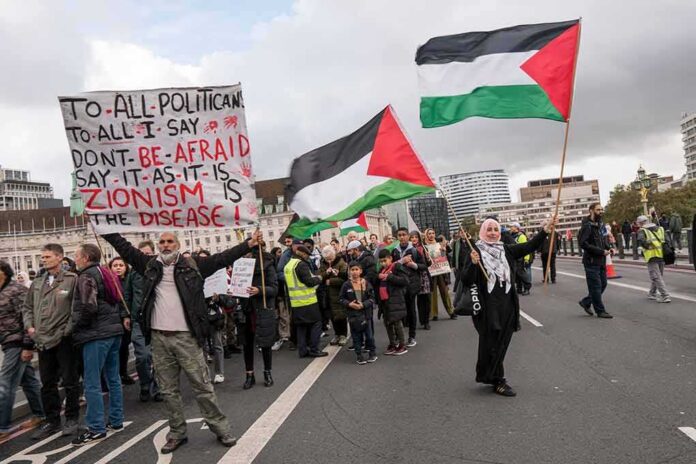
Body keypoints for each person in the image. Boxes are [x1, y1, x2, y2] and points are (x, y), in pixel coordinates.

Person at [101, 231, 258, 453]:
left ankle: (220, 427)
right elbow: (124, 247)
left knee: (202, 386)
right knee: (168, 390)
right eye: (162, 242)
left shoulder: (193, 265)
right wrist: (104, 227)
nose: (165, 245)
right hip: (158, 338)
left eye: (169, 242)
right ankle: (177, 432)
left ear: (178, 244)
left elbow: (223, 257)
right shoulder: (149, 265)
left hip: (186, 337)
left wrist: (248, 244)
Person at [461, 218, 552, 397]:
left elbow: (529, 246)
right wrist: (472, 263)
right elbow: (466, 279)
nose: (493, 232)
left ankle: (489, 375)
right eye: (489, 229)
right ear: (482, 232)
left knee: (502, 341)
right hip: (487, 306)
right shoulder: (475, 250)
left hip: (507, 304)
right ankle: (498, 380)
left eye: (496, 229)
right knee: (492, 342)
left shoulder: (506, 249)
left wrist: (545, 230)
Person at [71, 244, 129, 446]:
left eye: (77, 256)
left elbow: (89, 306)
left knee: (92, 382)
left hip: (96, 334)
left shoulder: (86, 276)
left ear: (86, 257)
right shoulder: (107, 273)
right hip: (114, 332)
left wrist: (76, 327)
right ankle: (116, 420)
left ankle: (96, 428)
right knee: (113, 378)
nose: (75, 259)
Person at [23, 243, 80, 440]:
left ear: (59, 258)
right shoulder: (38, 282)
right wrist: (30, 327)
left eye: (47, 257)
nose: (43, 260)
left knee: (70, 381)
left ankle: (72, 419)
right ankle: (52, 421)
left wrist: (66, 331)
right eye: (43, 257)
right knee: (47, 382)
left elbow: (76, 309)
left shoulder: (72, 280)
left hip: (63, 339)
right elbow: (27, 307)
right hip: (42, 339)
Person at [216, 241, 277, 389]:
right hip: (244, 310)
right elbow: (235, 289)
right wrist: (230, 294)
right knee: (247, 343)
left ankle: (267, 372)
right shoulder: (239, 265)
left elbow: (274, 288)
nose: (245, 255)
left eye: (248, 252)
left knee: (265, 343)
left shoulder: (266, 264)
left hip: (261, 309)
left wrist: (259, 290)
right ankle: (249, 374)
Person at [0, 261, 44, 439]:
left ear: (3, 272)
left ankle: (2, 427)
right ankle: (41, 414)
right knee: (29, 381)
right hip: (7, 342)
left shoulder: (17, 290)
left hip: (17, 342)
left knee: (6, 384)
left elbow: (28, 318)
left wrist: (28, 346)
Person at [123, 240, 161, 402]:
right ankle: (145, 383)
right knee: (143, 356)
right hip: (138, 320)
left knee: (159, 356)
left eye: (147, 253)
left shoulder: (161, 271)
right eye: (141, 254)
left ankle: (158, 386)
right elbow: (127, 295)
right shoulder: (133, 273)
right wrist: (126, 315)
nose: (143, 257)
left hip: (158, 318)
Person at [284, 245, 327, 358]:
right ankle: (314, 349)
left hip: (295, 302)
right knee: (317, 323)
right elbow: (309, 282)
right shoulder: (300, 264)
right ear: (301, 253)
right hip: (307, 301)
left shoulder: (288, 265)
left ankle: (302, 351)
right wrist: (319, 278)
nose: (307, 257)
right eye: (307, 255)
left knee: (301, 327)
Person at [577, 203, 615, 319]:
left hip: (601, 260)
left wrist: (609, 248)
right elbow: (583, 243)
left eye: (601, 209)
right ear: (591, 211)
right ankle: (600, 311)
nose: (601, 212)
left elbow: (604, 239)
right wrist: (600, 251)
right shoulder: (587, 225)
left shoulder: (601, 224)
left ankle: (586, 302)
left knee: (603, 284)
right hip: (591, 261)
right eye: (598, 210)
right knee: (596, 287)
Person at [391, 227, 426, 348]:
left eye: (404, 235)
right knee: (399, 311)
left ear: (408, 236)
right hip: (399, 285)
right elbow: (391, 266)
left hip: (412, 285)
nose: (402, 237)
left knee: (411, 311)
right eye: (399, 235)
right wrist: (401, 261)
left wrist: (413, 264)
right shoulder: (394, 251)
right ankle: (398, 336)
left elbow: (424, 266)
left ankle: (412, 336)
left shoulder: (415, 250)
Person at [195, 250, 226, 384]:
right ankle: (204, 374)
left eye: (204, 259)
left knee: (217, 345)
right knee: (202, 347)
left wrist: (218, 298)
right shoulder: (193, 276)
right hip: (200, 316)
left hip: (214, 316)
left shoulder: (217, 276)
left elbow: (227, 300)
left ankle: (219, 372)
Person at [339, 262, 377, 364]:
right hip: (353, 316)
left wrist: (363, 304)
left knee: (369, 335)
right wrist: (349, 304)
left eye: (356, 269)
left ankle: (372, 353)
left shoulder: (366, 283)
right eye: (352, 270)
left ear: (360, 271)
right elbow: (341, 299)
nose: (355, 272)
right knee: (356, 336)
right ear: (349, 271)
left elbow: (372, 298)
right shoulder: (346, 285)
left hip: (366, 314)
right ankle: (359, 355)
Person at [108, 257, 135, 386]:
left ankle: (123, 372)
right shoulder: (108, 282)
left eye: (121, 265)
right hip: (113, 319)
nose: (118, 268)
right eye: (115, 265)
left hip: (127, 319)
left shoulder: (129, 281)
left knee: (124, 348)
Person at [377, 249, 409, 355]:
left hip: (395, 300)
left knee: (396, 322)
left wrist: (390, 276)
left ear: (390, 258)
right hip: (384, 301)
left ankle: (402, 344)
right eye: (381, 261)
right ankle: (392, 344)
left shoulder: (396, 267)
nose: (383, 263)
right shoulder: (382, 269)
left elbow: (405, 280)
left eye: (384, 260)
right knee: (387, 323)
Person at [636, 215, 672, 303]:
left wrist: (647, 246)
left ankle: (665, 295)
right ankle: (652, 293)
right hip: (661, 255)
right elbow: (667, 241)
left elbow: (641, 240)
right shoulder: (660, 228)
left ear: (641, 223)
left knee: (656, 277)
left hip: (651, 256)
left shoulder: (642, 230)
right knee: (657, 276)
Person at [423, 229, 455, 321]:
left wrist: (444, 249)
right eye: (429, 233)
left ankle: (451, 311)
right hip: (431, 272)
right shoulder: (424, 246)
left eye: (433, 233)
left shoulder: (440, 244)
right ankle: (434, 314)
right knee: (433, 294)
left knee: (445, 292)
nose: (431, 235)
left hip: (441, 271)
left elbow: (447, 253)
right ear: (426, 235)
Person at [319, 246, 348, 346]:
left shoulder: (341, 262)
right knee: (332, 315)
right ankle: (337, 334)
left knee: (341, 314)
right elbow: (319, 276)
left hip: (338, 292)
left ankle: (343, 335)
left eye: (330, 258)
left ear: (334, 255)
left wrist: (330, 281)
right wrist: (325, 273)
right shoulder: (323, 263)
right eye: (327, 259)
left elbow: (345, 279)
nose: (329, 261)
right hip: (327, 294)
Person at [276, 237, 300, 351]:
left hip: (306, 292)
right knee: (293, 316)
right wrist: (291, 279)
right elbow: (279, 272)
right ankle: (294, 340)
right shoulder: (286, 256)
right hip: (291, 292)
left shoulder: (304, 254)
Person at [410, 231, 433, 330]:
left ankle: (426, 321)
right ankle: (420, 320)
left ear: (419, 238)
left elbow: (428, 264)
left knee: (426, 299)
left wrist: (428, 259)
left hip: (424, 276)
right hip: (414, 276)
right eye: (412, 237)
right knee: (418, 300)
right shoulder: (409, 249)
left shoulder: (424, 248)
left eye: (416, 237)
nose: (414, 239)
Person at [509, 223, 532, 295]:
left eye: (512, 226)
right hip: (514, 258)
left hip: (520, 259)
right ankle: (519, 289)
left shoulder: (521, 236)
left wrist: (526, 259)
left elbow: (526, 248)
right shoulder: (511, 236)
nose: (510, 227)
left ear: (516, 228)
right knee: (516, 274)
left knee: (521, 274)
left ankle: (527, 288)